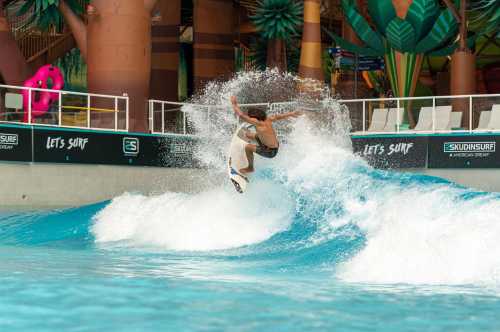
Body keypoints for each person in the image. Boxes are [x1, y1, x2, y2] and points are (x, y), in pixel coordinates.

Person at [230, 96, 302, 174]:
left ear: (255, 118)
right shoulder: (268, 119)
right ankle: (253, 143)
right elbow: (278, 117)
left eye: (251, 118)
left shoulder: (258, 123)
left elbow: (241, 116)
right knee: (249, 135)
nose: (250, 119)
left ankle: (250, 168)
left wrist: (234, 104)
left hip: (270, 151)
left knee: (248, 147)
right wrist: (291, 113)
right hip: (273, 145)